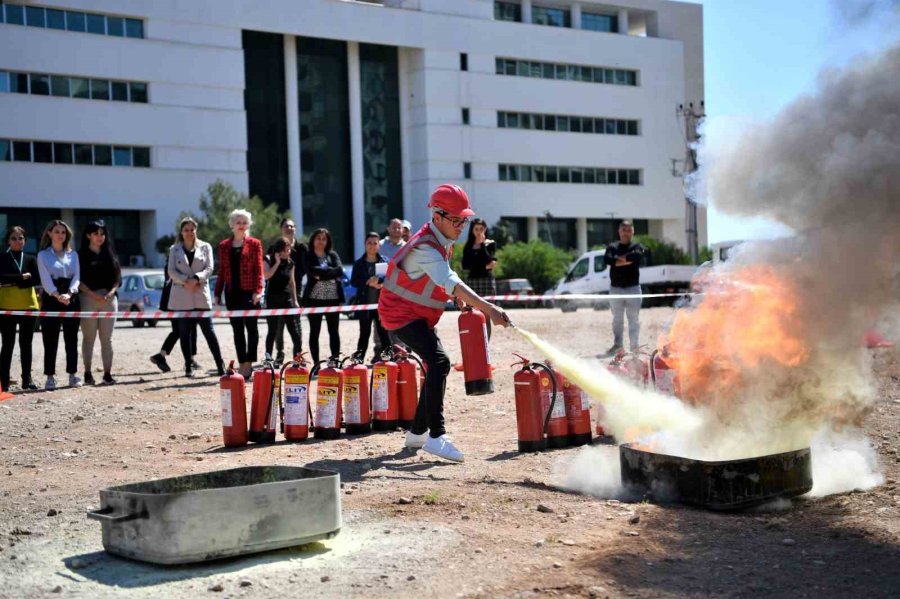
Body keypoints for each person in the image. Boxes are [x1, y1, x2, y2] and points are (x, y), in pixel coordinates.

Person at [378, 184, 510, 463]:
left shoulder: (440, 240)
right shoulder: (426, 246)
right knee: (439, 362)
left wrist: (456, 297)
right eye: (456, 220)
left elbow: (442, 279)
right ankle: (436, 436)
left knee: (437, 363)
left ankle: (417, 432)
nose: (461, 226)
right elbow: (451, 280)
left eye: (464, 220)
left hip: (415, 315)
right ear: (437, 216)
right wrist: (489, 309)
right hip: (401, 315)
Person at [168, 217, 224, 378]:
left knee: (209, 332)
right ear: (181, 232)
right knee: (184, 333)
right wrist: (185, 281)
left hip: (200, 294)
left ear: (196, 230)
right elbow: (171, 271)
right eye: (186, 230)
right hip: (182, 295)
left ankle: (219, 364)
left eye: (192, 229)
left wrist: (197, 278)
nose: (189, 232)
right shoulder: (174, 249)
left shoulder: (205, 247)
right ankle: (188, 365)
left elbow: (210, 268)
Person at [214, 209, 264, 379]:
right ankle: (242, 362)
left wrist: (258, 291)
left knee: (252, 328)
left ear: (248, 225)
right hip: (232, 293)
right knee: (237, 330)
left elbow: (258, 269)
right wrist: (217, 292)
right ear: (232, 225)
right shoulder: (223, 246)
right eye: (238, 222)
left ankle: (249, 363)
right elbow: (222, 271)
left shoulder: (255, 244)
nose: (241, 225)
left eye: (244, 222)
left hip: (249, 292)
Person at [36, 220, 82, 390]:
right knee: (50, 339)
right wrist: (56, 295)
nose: (60, 235)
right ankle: (50, 377)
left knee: (72, 338)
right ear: (49, 233)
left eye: (63, 232)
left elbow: (77, 276)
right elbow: (45, 278)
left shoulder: (73, 255)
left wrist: (69, 294)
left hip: (70, 297)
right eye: (56, 231)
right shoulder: (43, 255)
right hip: (51, 298)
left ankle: (72, 375)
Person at [77, 220, 121, 385]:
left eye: (102, 233)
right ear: (88, 235)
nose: (100, 237)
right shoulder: (79, 255)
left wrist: (111, 293)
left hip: (109, 300)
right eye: (96, 233)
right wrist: (91, 294)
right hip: (87, 299)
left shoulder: (110, 253)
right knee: (88, 338)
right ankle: (87, 373)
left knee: (107, 339)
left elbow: (118, 278)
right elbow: (77, 280)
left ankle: (107, 374)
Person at [0, 226, 40, 391]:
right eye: (14, 238)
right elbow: (1, 277)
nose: (17, 241)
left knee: (26, 344)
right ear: (8, 241)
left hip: (28, 305)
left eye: (21, 238)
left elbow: (36, 279)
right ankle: (3, 381)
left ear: (25, 240)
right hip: (6, 306)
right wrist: (21, 277)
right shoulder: (2, 258)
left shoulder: (31, 258)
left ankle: (26, 379)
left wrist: (12, 282)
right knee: (7, 344)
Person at [602, 220, 646, 356]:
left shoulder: (637, 246)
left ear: (633, 232)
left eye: (629, 230)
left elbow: (637, 256)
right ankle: (618, 345)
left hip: (633, 288)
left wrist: (617, 260)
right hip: (616, 289)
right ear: (619, 232)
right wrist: (627, 260)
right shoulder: (612, 246)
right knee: (617, 320)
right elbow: (607, 260)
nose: (626, 233)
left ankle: (634, 346)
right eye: (623, 230)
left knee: (634, 319)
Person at [302, 228, 344, 365]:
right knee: (315, 332)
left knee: (334, 332)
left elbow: (340, 270)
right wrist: (330, 272)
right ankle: (316, 363)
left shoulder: (332, 254)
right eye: (318, 238)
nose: (321, 241)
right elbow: (311, 270)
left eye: (324, 239)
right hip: (314, 299)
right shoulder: (308, 256)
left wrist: (322, 274)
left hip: (333, 299)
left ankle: (335, 361)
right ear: (313, 240)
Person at [269, 218, 306, 363]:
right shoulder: (273, 248)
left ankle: (298, 355)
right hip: (276, 292)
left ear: (295, 228)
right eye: (286, 226)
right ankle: (280, 353)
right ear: (281, 229)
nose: (289, 228)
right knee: (278, 326)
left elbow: (305, 266)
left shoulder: (302, 247)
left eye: (292, 226)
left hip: (295, 290)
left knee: (296, 325)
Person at [350, 232, 390, 362]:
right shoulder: (359, 263)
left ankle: (389, 359)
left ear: (379, 245)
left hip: (381, 305)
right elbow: (354, 281)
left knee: (384, 333)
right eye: (369, 243)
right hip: (365, 305)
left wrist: (380, 281)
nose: (372, 246)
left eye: (375, 243)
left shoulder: (385, 261)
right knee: (364, 334)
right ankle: (359, 360)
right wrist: (368, 282)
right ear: (365, 244)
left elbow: (391, 277)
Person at [149, 267, 198, 373]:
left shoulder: (171, 262)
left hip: (172, 302)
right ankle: (190, 360)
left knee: (177, 331)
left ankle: (162, 355)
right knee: (188, 330)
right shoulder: (176, 261)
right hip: (176, 301)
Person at [264, 237, 303, 362]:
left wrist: (295, 300)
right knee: (272, 330)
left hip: (286, 299)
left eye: (289, 250)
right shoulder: (268, 259)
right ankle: (268, 357)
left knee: (293, 329)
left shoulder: (290, 263)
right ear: (278, 250)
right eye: (285, 250)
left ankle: (298, 356)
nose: (288, 253)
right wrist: (276, 262)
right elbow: (267, 276)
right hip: (272, 299)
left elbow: (292, 282)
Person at [461, 217, 497, 339]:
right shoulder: (468, 246)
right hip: (472, 282)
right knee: (472, 314)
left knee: (486, 314)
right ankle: (476, 342)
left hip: (486, 282)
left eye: (481, 229)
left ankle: (486, 344)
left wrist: (481, 245)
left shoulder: (490, 244)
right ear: (472, 230)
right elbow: (465, 265)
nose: (478, 232)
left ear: (485, 229)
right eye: (476, 229)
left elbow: (490, 262)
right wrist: (483, 265)